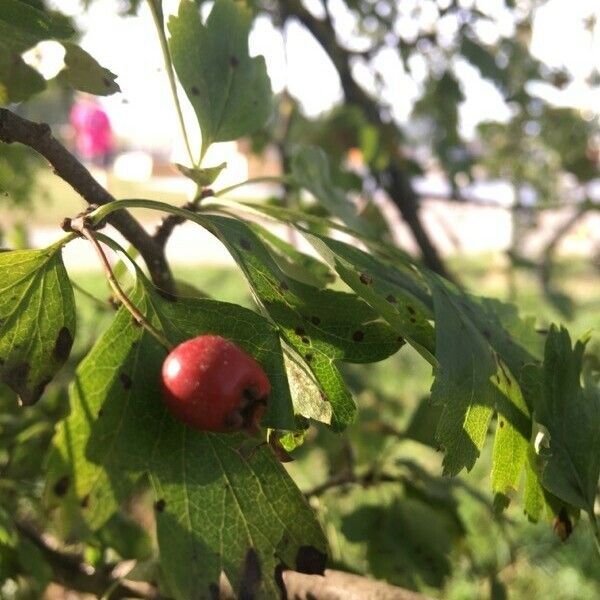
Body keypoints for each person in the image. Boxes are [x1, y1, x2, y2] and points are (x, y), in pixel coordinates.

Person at [69, 94, 114, 169]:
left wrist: (111, 146)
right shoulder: (78, 111)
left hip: (100, 148)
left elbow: (108, 130)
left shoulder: (101, 113)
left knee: (99, 169)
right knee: (85, 169)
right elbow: (75, 129)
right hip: (83, 147)